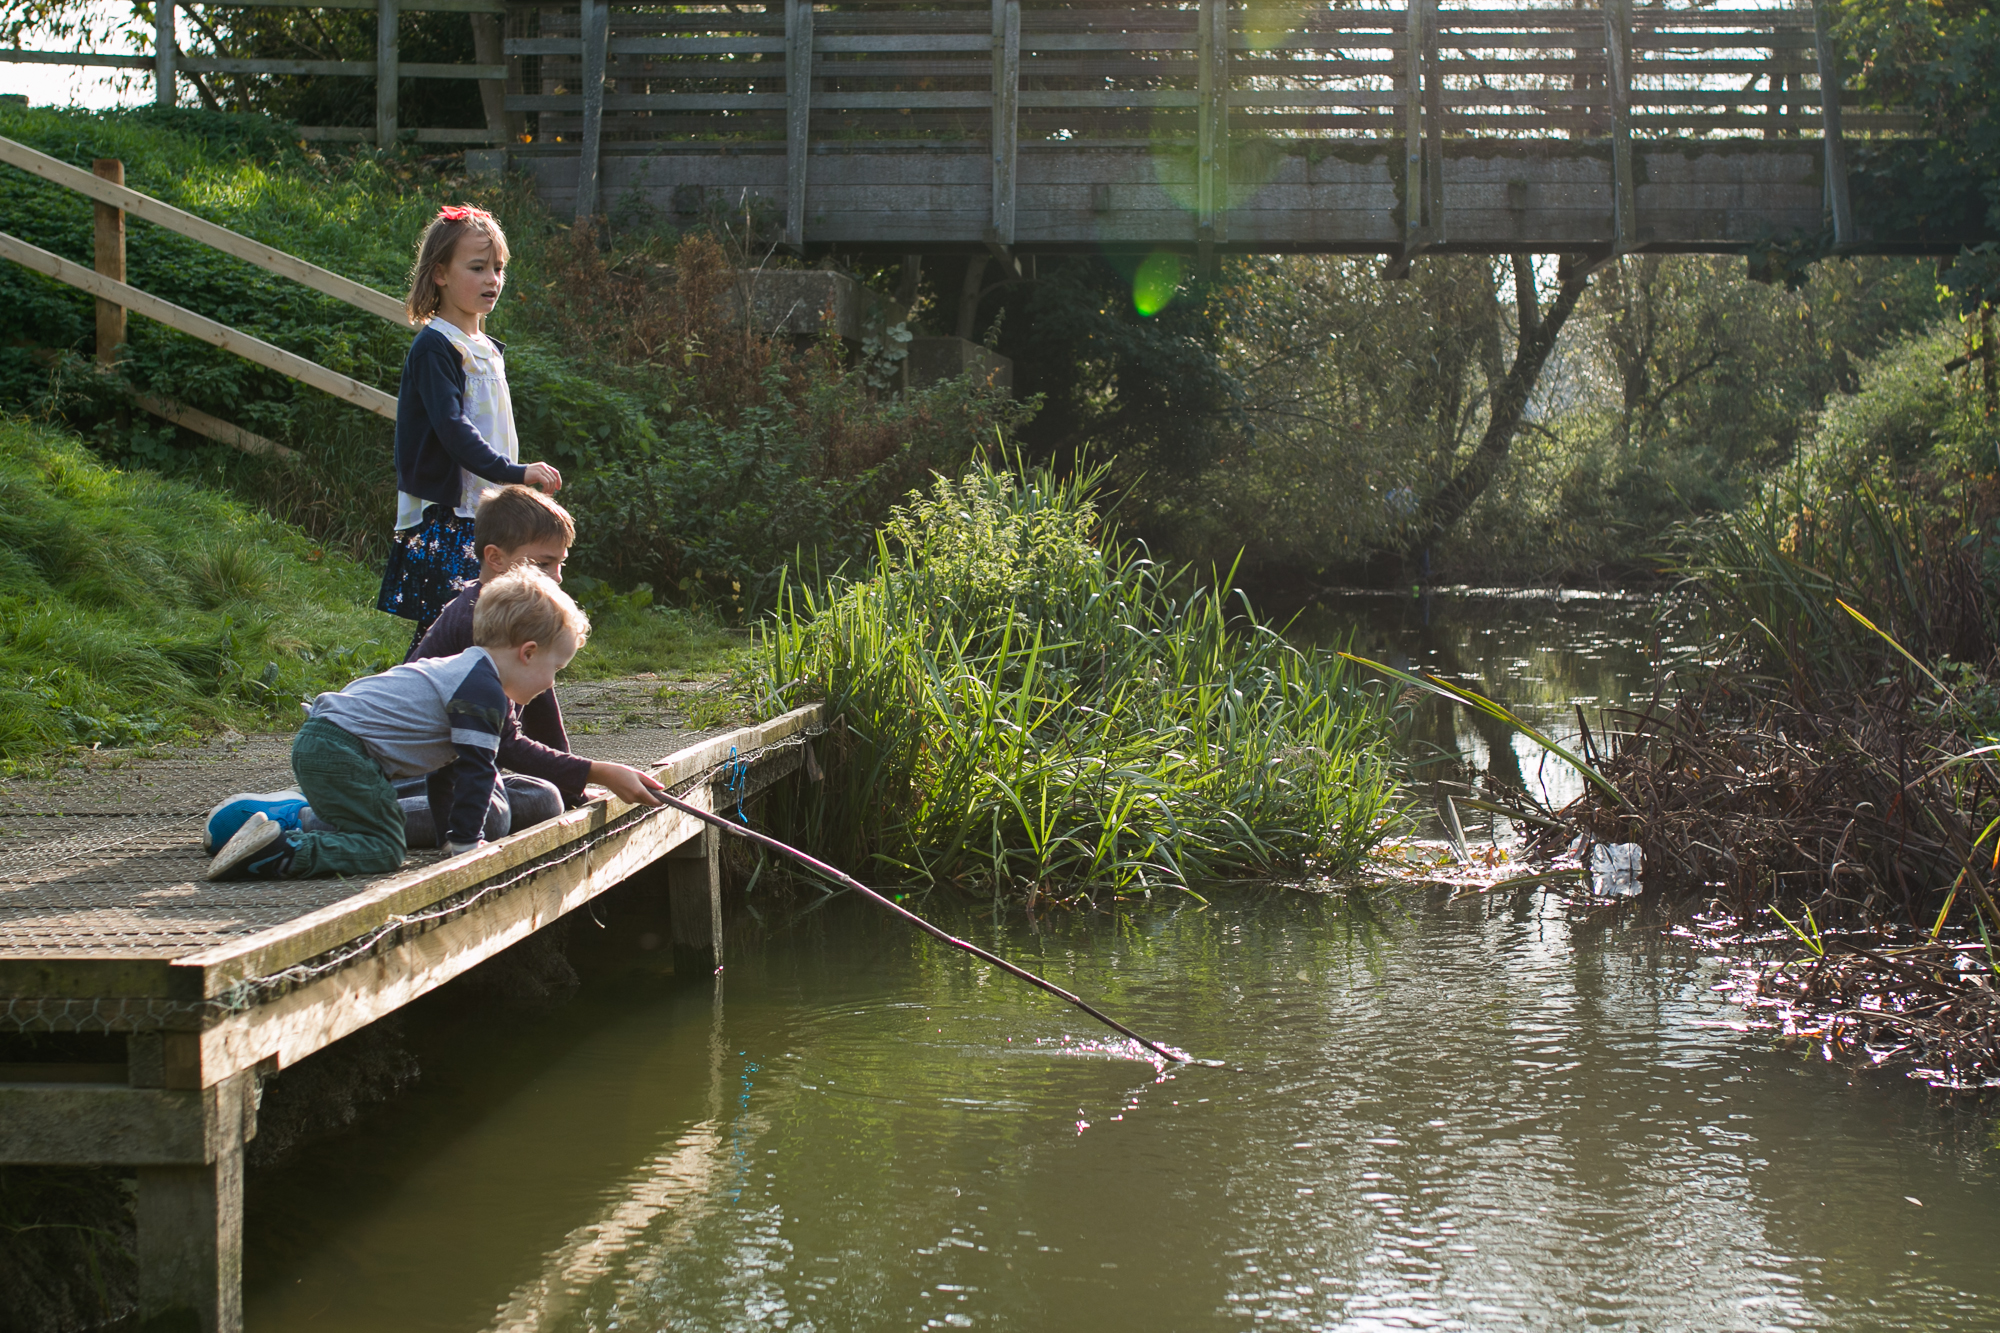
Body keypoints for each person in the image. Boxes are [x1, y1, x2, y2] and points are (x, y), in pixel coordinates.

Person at [205, 568, 637, 881]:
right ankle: (281, 850)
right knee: (383, 848)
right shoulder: (481, 688)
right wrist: (469, 844)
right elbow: (476, 770)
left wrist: (452, 837)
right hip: (340, 751)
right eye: (555, 668)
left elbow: (468, 762)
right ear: (527, 652)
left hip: (330, 744)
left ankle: (276, 837)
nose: (551, 683)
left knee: (377, 835)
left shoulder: (473, 675)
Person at [405, 483, 666, 823]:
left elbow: (541, 712)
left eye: (561, 563)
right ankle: (339, 814)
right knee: (509, 812)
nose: (556, 577)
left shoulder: (515, 610)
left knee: (543, 796)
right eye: (544, 564)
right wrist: (595, 772)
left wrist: (574, 790)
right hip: (417, 768)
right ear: (496, 558)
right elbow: (507, 741)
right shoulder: (481, 619)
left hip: (465, 760)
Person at [376, 204, 563, 653]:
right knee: (447, 633)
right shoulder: (436, 346)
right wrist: (515, 472)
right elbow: (453, 429)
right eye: (477, 268)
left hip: (487, 513)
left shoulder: (487, 349)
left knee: (494, 631)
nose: (492, 280)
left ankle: (491, 718)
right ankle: (387, 715)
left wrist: (513, 487)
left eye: (498, 268)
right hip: (448, 515)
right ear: (439, 273)